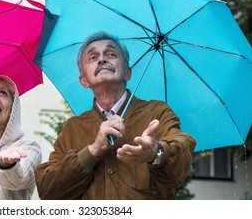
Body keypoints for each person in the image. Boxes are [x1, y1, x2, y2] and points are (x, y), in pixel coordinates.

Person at [35, 31, 196, 199]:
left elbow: (180, 163)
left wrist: (156, 152)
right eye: (93, 57)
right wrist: (93, 150)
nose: (102, 59)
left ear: (127, 72)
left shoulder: (157, 112)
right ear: (84, 80)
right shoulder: (72, 128)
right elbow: (48, 191)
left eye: (111, 54)